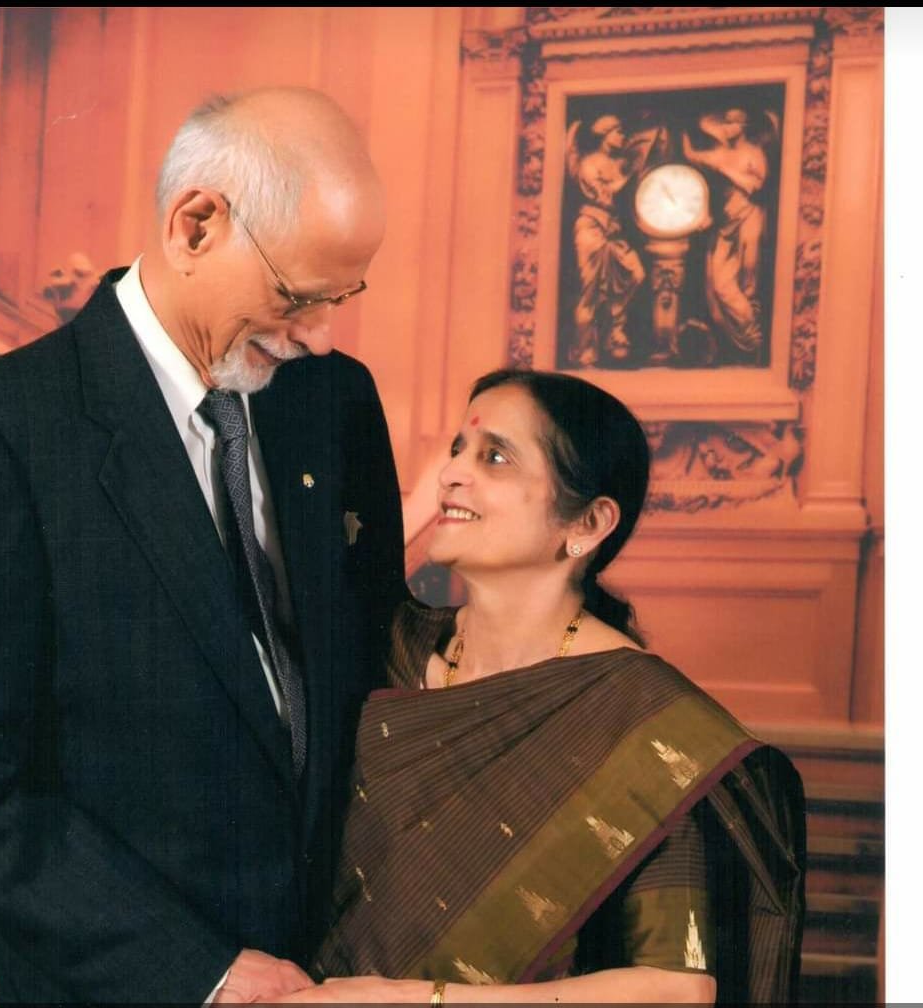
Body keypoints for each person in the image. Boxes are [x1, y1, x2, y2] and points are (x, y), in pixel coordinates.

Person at [0, 87, 406, 1004]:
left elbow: (367, 675)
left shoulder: (336, 401)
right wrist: (199, 973)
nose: (322, 337)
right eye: (297, 297)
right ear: (195, 225)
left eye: (342, 297)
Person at [277, 369, 805, 1004]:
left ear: (588, 523)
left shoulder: (640, 717)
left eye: (495, 457)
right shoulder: (395, 648)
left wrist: (415, 1000)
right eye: (457, 449)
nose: (452, 472)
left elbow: (676, 988)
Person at [683, 108, 771, 355]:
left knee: (749, 278)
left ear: (743, 127)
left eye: (733, 123)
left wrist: (725, 170)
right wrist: (681, 129)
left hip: (749, 217)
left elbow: (756, 186)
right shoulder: (720, 154)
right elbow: (693, 156)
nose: (727, 128)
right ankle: (747, 334)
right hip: (726, 224)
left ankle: (753, 341)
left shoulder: (754, 153)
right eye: (725, 123)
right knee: (720, 283)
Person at [566, 115, 649, 366]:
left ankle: (615, 327)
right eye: (618, 132)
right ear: (605, 134)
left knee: (636, 274)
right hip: (591, 228)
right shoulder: (589, 163)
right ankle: (584, 351)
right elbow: (604, 195)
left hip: (613, 232)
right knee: (590, 291)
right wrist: (629, 176)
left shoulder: (616, 163)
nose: (622, 137)